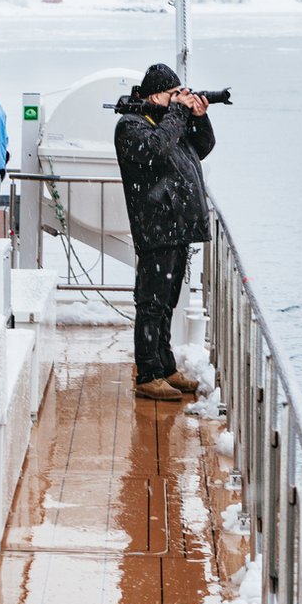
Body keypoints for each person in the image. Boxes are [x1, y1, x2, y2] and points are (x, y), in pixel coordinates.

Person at [114, 63, 215, 401]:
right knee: (151, 302)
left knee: (167, 301)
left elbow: (202, 147)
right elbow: (155, 149)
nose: (178, 100)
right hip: (155, 224)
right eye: (173, 94)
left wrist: (198, 116)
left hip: (177, 224)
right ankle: (147, 372)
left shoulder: (167, 121)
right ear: (155, 94)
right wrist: (176, 113)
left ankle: (165, 365)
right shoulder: (130, 126)